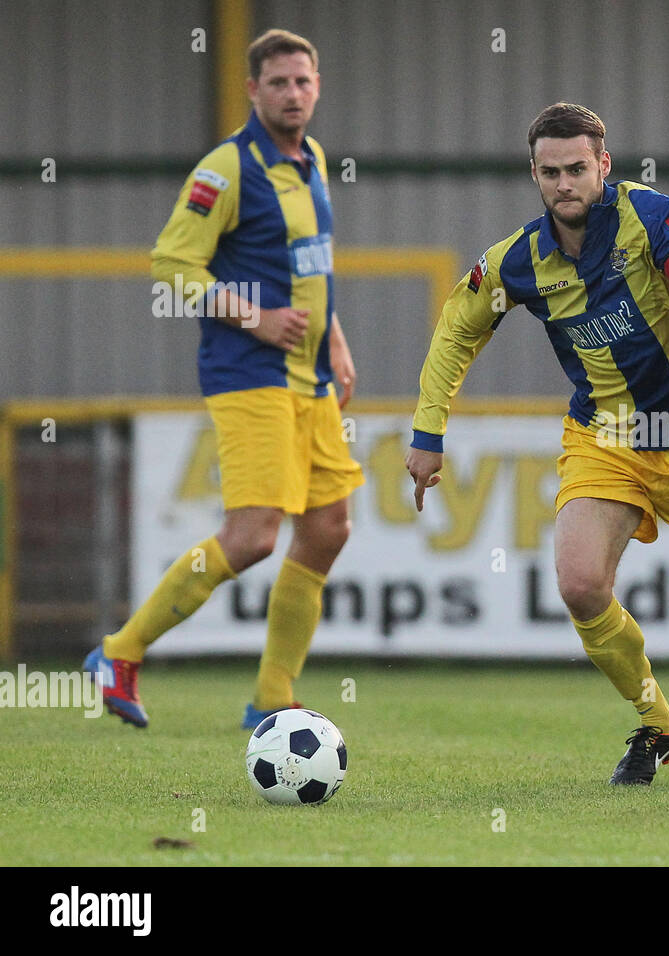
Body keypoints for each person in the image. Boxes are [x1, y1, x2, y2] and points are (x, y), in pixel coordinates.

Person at [405, 103, 669, 785]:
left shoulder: (652, 218)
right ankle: (658, 724)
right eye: (550, 172)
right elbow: (458, 328)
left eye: (577, 168)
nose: (563, 183)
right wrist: (428, 431)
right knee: (580, 586)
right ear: (535, 174)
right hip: (606, 437)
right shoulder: (518, 260)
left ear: (603, 166)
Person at [85, 29, 363, 730]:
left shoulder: (314, 161)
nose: (293, 94)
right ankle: (119, 651)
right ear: (253, 91)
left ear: (317, 86)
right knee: (252, 537)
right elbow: (172, 267)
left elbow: (309, 263)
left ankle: (273, 694)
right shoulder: (227, 168)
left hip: (311, 378)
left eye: (303, 81)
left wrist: (333, 336)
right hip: (250, 374)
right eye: (278, 83)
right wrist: (255, 319)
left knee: (329, 526)